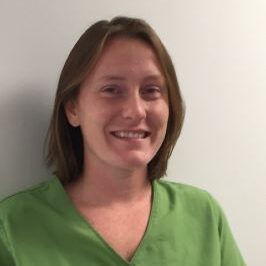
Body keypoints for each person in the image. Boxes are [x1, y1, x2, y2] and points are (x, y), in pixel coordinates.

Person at [0, 16, 245, 266]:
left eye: (151, 90)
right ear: (73, 108)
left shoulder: (204, 216)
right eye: (112, 90)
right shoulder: (11, 227)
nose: (136, 111)